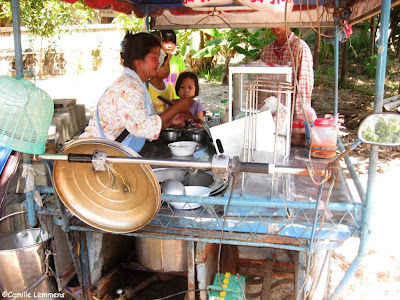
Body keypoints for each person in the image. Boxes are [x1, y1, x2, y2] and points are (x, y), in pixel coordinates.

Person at [79, 32, 194, 153]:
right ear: (138, 60)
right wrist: (176, 108)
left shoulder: (135, 83)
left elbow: (138, 123)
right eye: (154, 58)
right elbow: (141, 127)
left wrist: (171, 121)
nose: (158, 63)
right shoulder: (129, 87)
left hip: (106, 152)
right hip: (95, 154)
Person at [260, 27, 316, 122]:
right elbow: (261, 85)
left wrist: (298, 121)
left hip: (289, 117)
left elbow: (303, 89)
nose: (274, 25)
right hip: (269, 117)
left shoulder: (300, 48)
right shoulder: (268, 50)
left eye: (278, 20)